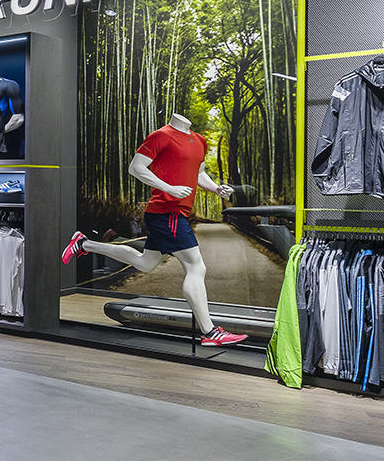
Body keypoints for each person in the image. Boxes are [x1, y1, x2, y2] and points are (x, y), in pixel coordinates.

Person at [61, 113, 249, 346]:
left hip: (174, 213)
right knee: (196, 266)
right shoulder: (161, 136)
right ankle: (209, 333)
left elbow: (199, 173)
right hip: (166, 212)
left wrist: (216, 188)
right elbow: (136, 168)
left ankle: (83, 243)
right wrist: (168, 187)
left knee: (145, 263)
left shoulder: (199, 140)